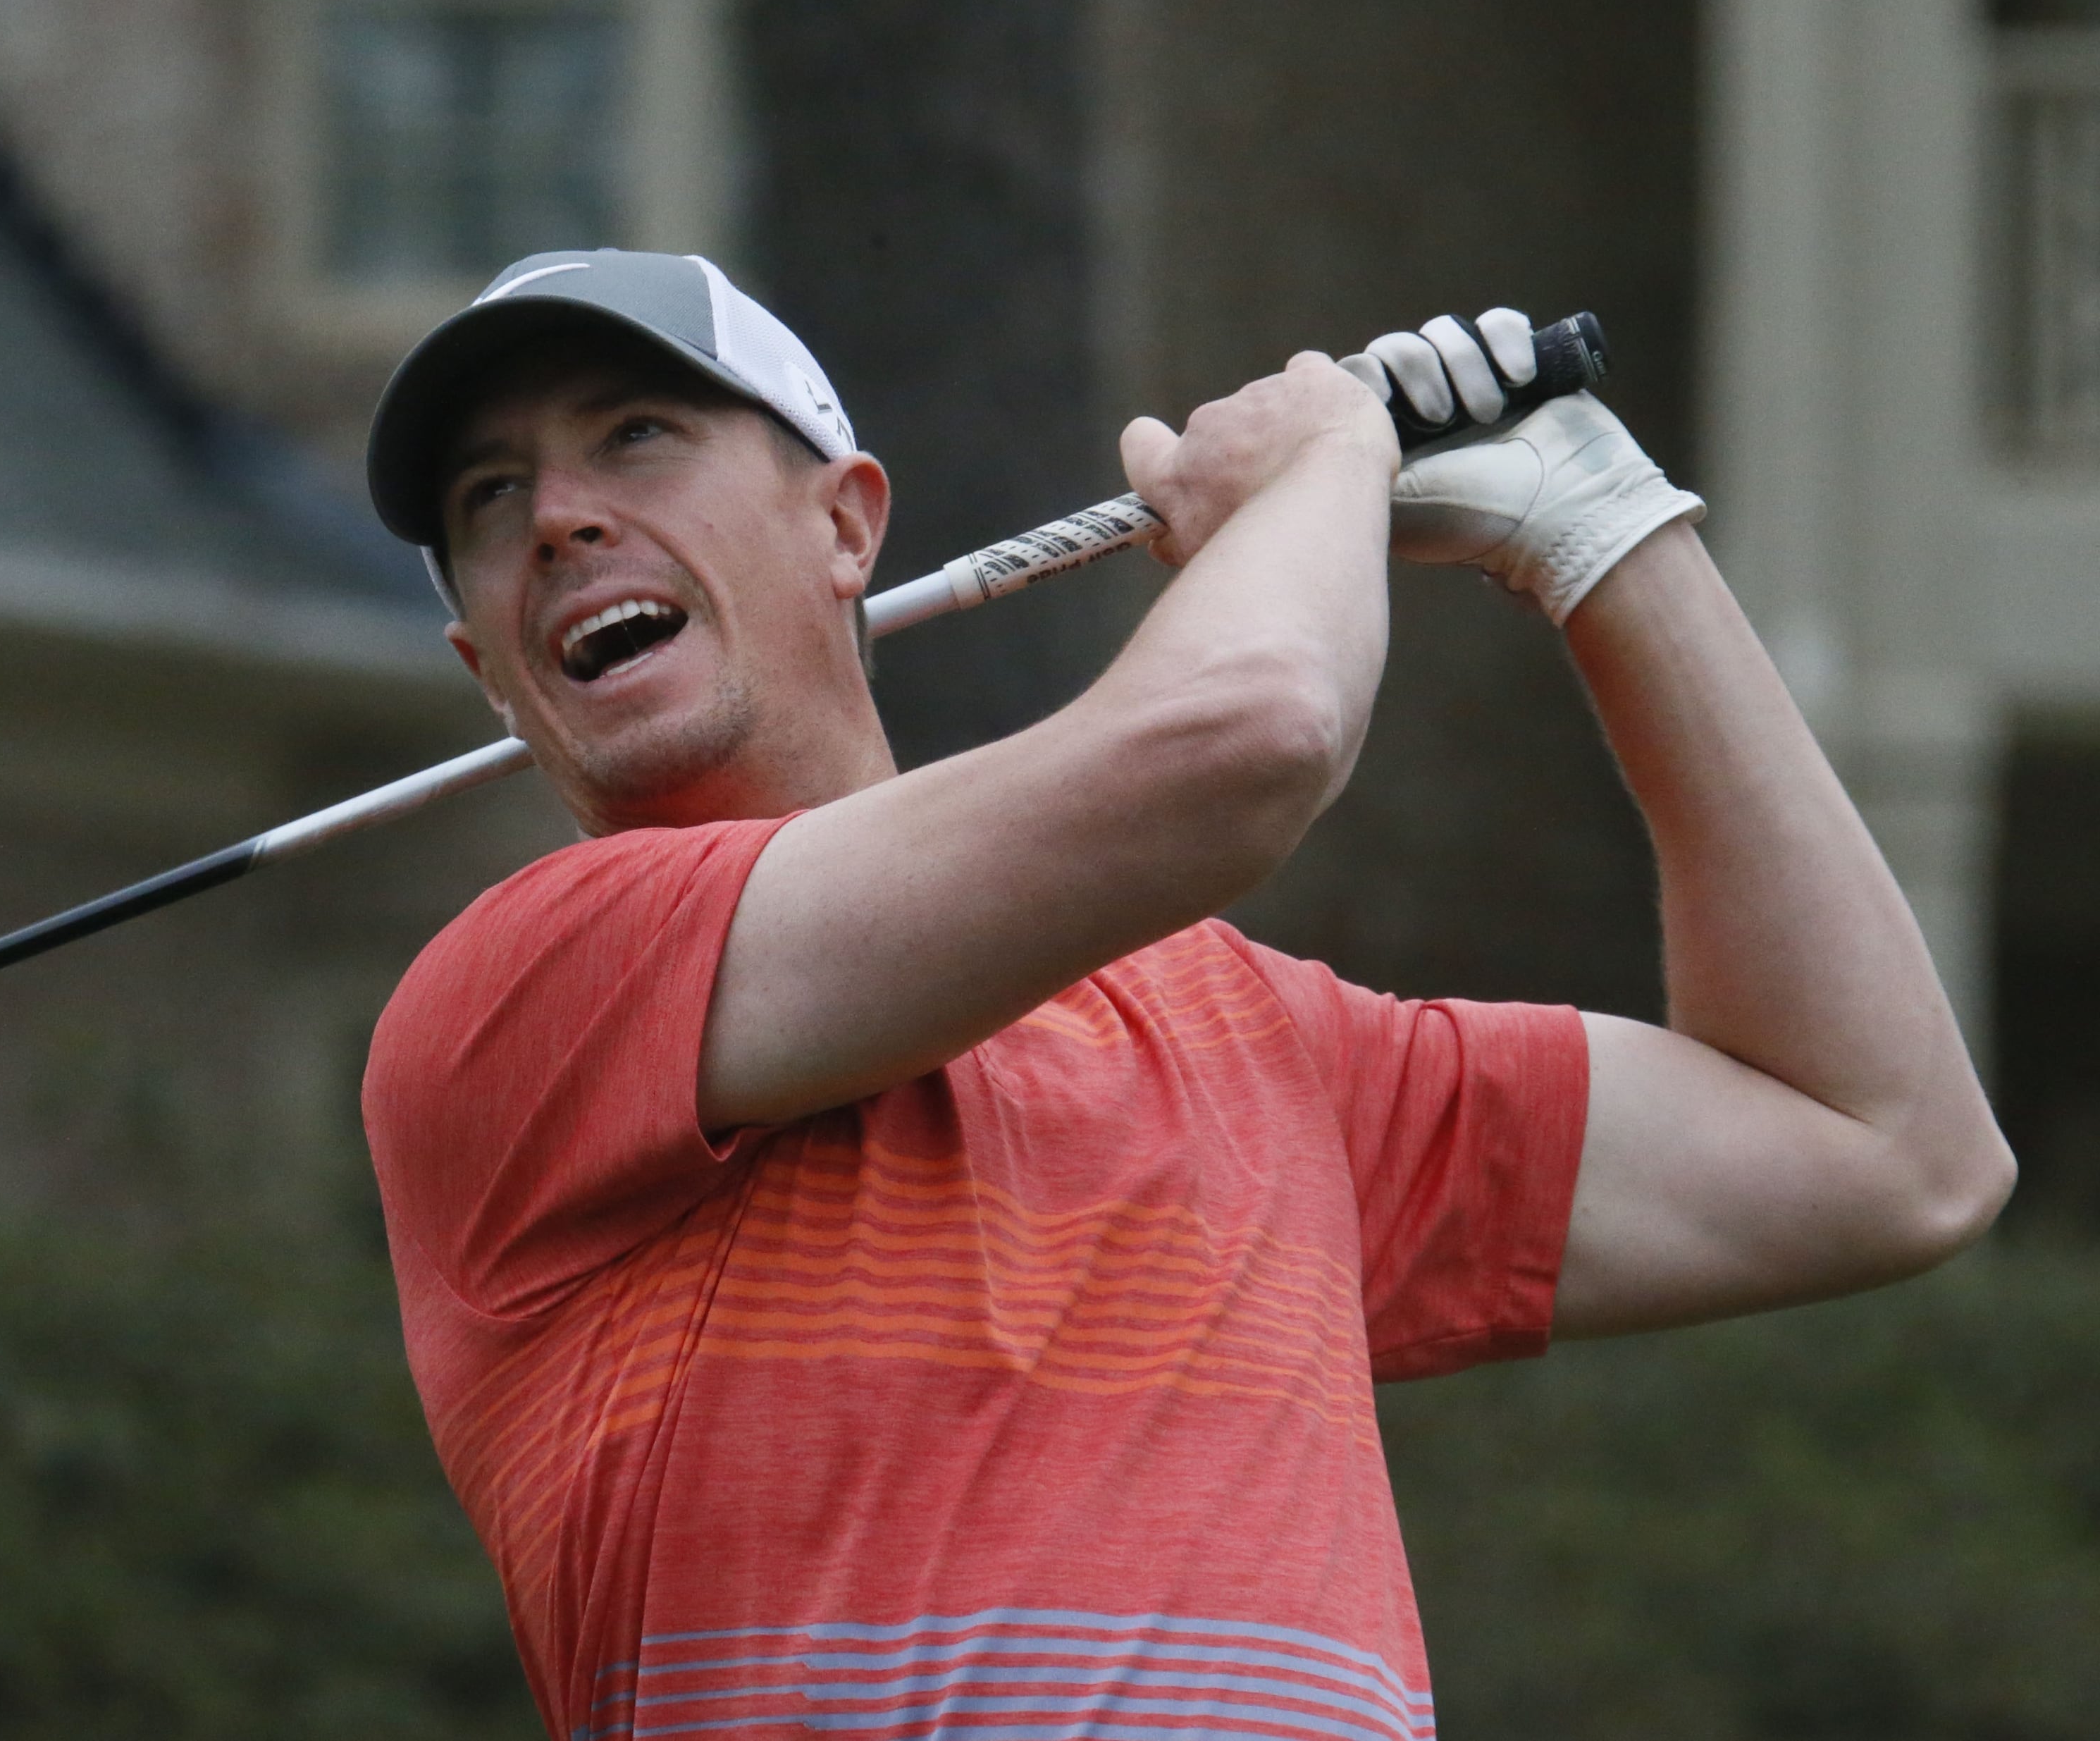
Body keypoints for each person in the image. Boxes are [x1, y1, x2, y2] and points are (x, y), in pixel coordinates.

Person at [356, 249, 2012, 1741]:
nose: (558, 515)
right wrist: (1323, 461)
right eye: (491, 498)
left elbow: (1882, 1141)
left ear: (847, 523)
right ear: (485, 665)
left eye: (635, 435)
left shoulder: (1255, 1041)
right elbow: (1250, 739)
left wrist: (1604, 533)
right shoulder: (523, 992)